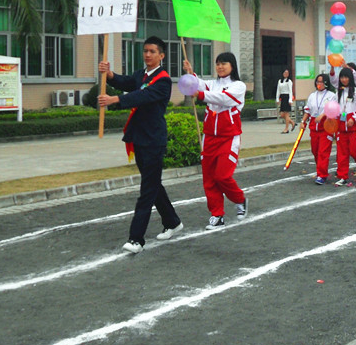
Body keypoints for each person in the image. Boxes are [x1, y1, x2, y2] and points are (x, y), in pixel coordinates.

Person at [98, 36, 182, 254]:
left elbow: (142, 96)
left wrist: (114, 100)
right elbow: (126, 82)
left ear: (161, 55)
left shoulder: (163, 80)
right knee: (153, 184)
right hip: (140, 139)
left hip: (154, 140)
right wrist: (110, 75)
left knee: (147, 190)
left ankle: (136, 239)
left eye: (152, 51)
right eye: (145, 51)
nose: (147, 55)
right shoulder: (142, 74)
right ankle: (172, 222)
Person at [183, 52, 248, 230]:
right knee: (209, 179)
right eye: (217, 63)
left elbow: (225, 99)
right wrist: (191, 73)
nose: (220, 66)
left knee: (222, 176)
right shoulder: (212, 84)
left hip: (229, 138)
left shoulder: (239, 86)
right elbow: (198, 84)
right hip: (209, 137)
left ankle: (240, 199)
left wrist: (201, 94)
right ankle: (217, 215)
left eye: (224, 63)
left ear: (232, 65)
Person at [334, 66, 356, 186]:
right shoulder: (338, 92)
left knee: (355, 150)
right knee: (342, 152)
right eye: (342, 77)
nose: (344, 80)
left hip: (355, 126)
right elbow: (336, 109)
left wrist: (354, 119)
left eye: (346, 77)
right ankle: (342, 176)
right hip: (341, 126)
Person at [301, 73, 336, 185]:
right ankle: (320, 170)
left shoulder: (331, 95)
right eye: (317, 82)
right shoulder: (312, 96)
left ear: (326, 83)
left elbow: (332, 109)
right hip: (314, 127)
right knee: (315, 151)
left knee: (323, 152)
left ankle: (322, 175)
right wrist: (303, 122)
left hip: (326, 127)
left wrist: (323, 115)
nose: (319, 84)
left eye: (321, 82)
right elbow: (307, 110)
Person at [276, 69, 296, 133]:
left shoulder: (289, 81)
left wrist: (290, 100)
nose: (285, 74)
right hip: (282, 97)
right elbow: (278, 90)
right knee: (282, 114)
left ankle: (286, 129)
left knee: (287, 114)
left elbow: (290, 91)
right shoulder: (280, 81)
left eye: (287, 73)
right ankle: (292, 122)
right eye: (285, 72)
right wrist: (277, 98)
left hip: (287, 97)